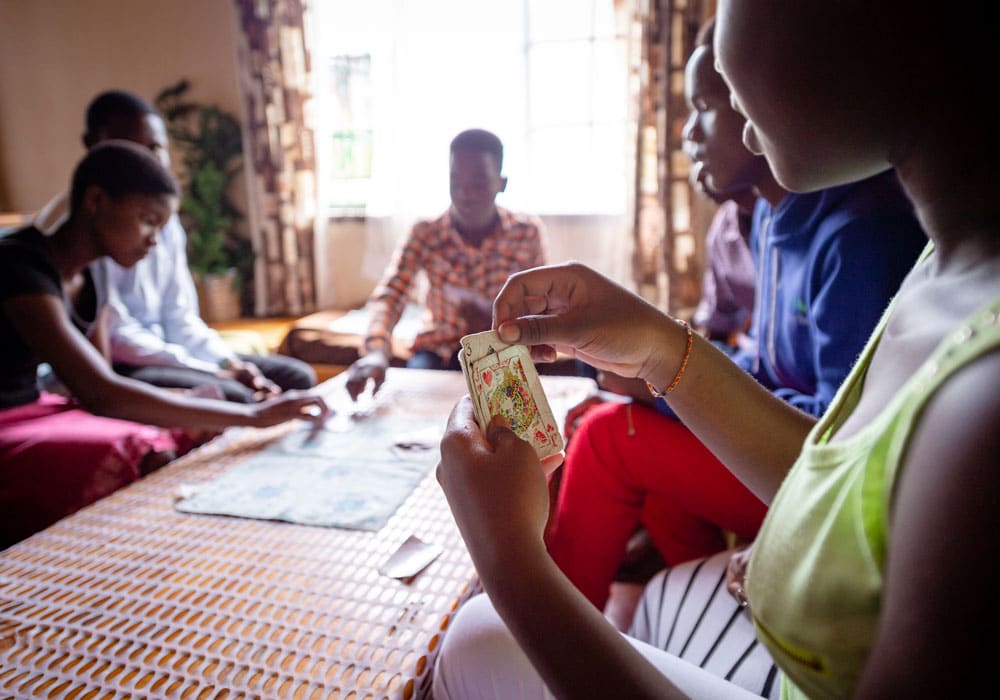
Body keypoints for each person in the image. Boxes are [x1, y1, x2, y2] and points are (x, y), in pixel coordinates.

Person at [432, 0, 998, 697]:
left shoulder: (983, 402)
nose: (692, 119)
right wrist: (662, 351)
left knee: (475, 634)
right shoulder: (946, 263)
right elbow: (843, 476)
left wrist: (509, 561)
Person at [545, 16, 927, 614]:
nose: (689, 131)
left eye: (705, 106)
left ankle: (549, 628)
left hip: (822, 487)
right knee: (629, 414)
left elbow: (842, 435)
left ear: (760, 107)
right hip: (787, 455)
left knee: (607, 438)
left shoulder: (859, 238)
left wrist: (669, 386)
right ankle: (695, 596)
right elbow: (767, 364)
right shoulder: (773, 218)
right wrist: (657, 385)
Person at [1, 142, 329, 549]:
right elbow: (101, 393)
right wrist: (252, 414)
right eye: (146, 221)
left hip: (40, 407)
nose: (153, 240)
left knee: (184, 425)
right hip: (10, 417)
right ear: (96, 201)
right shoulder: (18, 266)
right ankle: (97, 566)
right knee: (138, 447)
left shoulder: (93, 275)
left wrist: (189, 398)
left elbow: (94, 379)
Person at [35, 90, 317, 404]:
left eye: (155, 149)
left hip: (169, 350)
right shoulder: (81, 229)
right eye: (130, 149)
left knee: (296, 377)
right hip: (124, 362)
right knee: (232, 395)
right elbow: (111, 341)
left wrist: (227, 363)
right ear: (93, 147)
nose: (144, 162)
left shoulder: (159, 216)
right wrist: (205, 370)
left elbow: (179, 315)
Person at [345, 128, 546, 400]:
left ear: (502, 182)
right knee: (416, 408)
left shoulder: (526, 231)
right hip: (438, 350)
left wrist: (492, 321)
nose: (464, 193)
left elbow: (539, 305)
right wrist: (377, 351)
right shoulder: (426, 232)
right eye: (455, 181)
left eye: (477, 182)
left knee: (509, 419)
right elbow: (392, 294)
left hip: (501, 349)